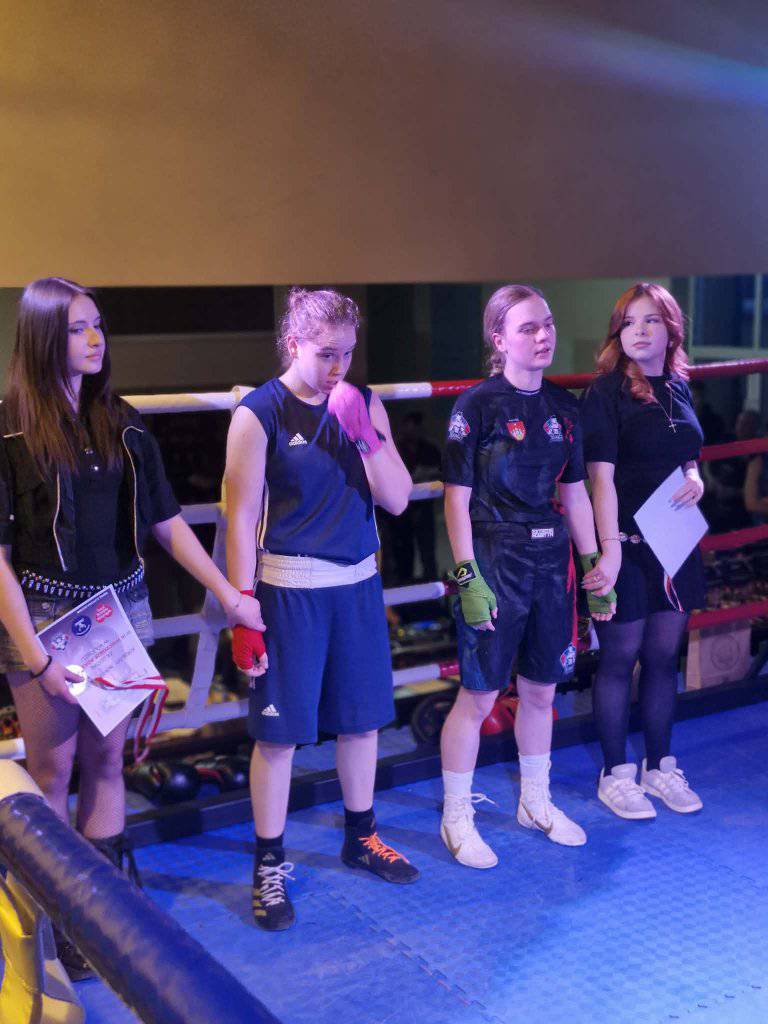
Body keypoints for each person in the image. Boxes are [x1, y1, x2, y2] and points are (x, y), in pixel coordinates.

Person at [0, 277, 266, 977]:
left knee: (107, 762)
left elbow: (167, 523)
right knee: (51, 771)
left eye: (98, 325)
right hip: (45, 618)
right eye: (77, 328)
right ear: (42, 337)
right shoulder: (8, 428)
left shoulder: (123, 422)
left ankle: (102, 906)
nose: (95, 339)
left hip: (116, 613)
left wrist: (230, 596)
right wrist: (35, 656)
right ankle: (51, 912)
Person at [224, 286, 419, 932]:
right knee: (279, 737)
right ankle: (268, 863)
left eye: (347, 353)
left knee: (362, 724)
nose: (338, 367)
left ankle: (361, 836)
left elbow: (398, 498)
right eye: (326, 353)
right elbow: (240, 517)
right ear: (293, 344)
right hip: (289, 592)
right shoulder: (259, 413)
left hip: (358, 585)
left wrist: (365, 435)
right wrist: (242, 610)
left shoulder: (364, 402)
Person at [439, 284, 615, 870]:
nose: (543, 336)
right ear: (499, 339)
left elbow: (576, 493)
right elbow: (454, 500)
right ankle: (456, 816)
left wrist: (593, 566)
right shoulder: (476, 406)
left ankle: (534, 802)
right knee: (479, 694)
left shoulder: (565, 408)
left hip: (550, 561)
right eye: (527, 328)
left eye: (548, 324)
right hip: (494, 558)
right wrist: (468, 576)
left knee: (542, 690)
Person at [580, 282, 705, 821]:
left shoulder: (679, 386)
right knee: (618, 659)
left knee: (661, 657)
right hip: (626, 544)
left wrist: (695, 477)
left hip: (674, 542)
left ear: (670, 329)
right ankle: (615, 774)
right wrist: (607, 552)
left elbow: (686, 452)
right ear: (618, 332)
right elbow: (599, 480)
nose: (639, 330)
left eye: (650, 320)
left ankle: (660, 766)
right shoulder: (605, 391)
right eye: (629, 322)